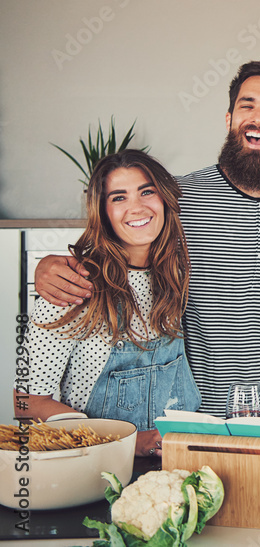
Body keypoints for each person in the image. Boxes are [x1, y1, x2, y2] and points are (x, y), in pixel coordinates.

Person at [34, 61, 260, 443]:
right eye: (247, 105)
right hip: (191, 418)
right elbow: (117, 239)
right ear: (229, 118)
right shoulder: (178, 197)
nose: (258, 118)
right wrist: (49, 265)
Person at [18, 150, 200, 457]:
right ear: (102, 211)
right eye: (119, 197)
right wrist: (127, 442)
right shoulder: (73, 286)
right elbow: (27, 403)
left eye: (147, 191)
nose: (137, 207)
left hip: (180, 462)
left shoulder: (178, 275)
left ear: (164, 199)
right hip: (97, 471)